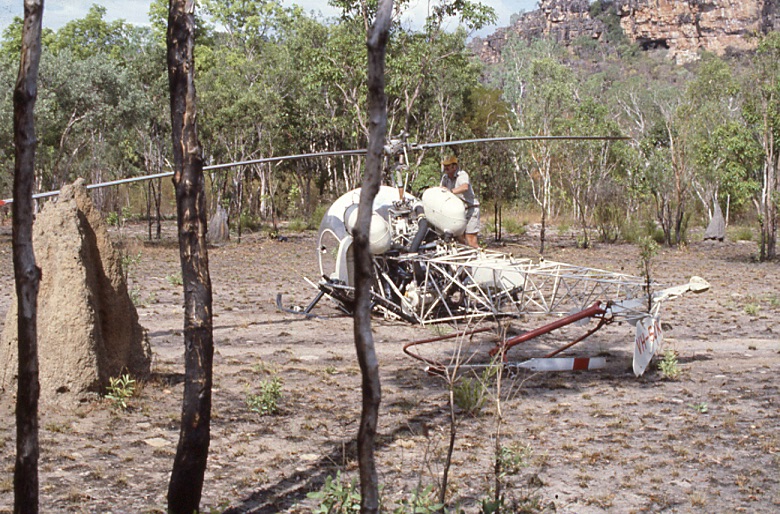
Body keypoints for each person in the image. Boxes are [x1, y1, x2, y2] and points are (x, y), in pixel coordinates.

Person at [440, 155, 480, 248]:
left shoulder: (462, 175)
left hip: (470, 209)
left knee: (471, 240)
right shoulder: (445, 178)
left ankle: (479, 258)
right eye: (445, 165)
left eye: (448, 165)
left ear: (454, 166)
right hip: (457, 212)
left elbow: (464, 187)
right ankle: (466, 258)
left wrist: (450, 192)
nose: (446, 168)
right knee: (459, 238)